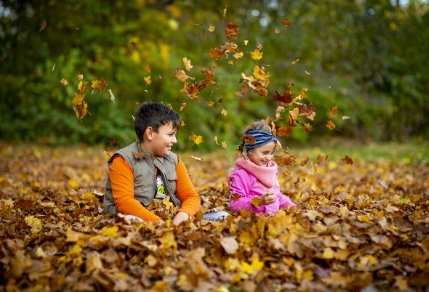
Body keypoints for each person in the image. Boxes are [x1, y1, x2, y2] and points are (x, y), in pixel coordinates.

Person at [104, 102, 227, 225]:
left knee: (223, 216)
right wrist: (158, 223)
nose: (175, 140)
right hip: (141, 220)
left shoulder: (173, 160)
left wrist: (182, 215)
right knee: (131, 221)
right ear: (150, 133)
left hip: (172, 219)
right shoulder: (123, 160)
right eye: (170, 135)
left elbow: (191, 196)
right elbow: (124, 202)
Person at [228, 121, 296, 215]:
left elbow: (277, 196)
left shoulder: (270, 170)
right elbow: (234, 203)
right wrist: (259, 201)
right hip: (251, 221)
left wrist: (293, 207)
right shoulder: (242, 174)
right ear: (250, 150)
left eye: (271, 153)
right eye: (265, 153)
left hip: (271, 221)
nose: (269, 157)